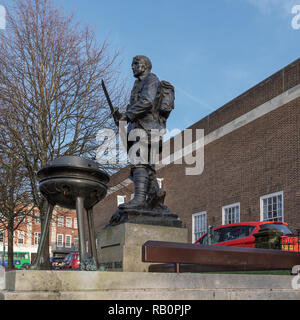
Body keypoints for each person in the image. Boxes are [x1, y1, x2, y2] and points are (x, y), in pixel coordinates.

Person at [114, 55, 165, 210]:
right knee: (146, 166)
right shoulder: (138, 84)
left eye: (136, 64)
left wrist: (127, 115)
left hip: (148, 129)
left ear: (145, 66)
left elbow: (147, 102)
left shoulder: (151, 80)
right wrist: (122, 118)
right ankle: (156, 197)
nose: (133, 67)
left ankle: (140, 199)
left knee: (140, 163)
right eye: (132, 64)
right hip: (138, 128)